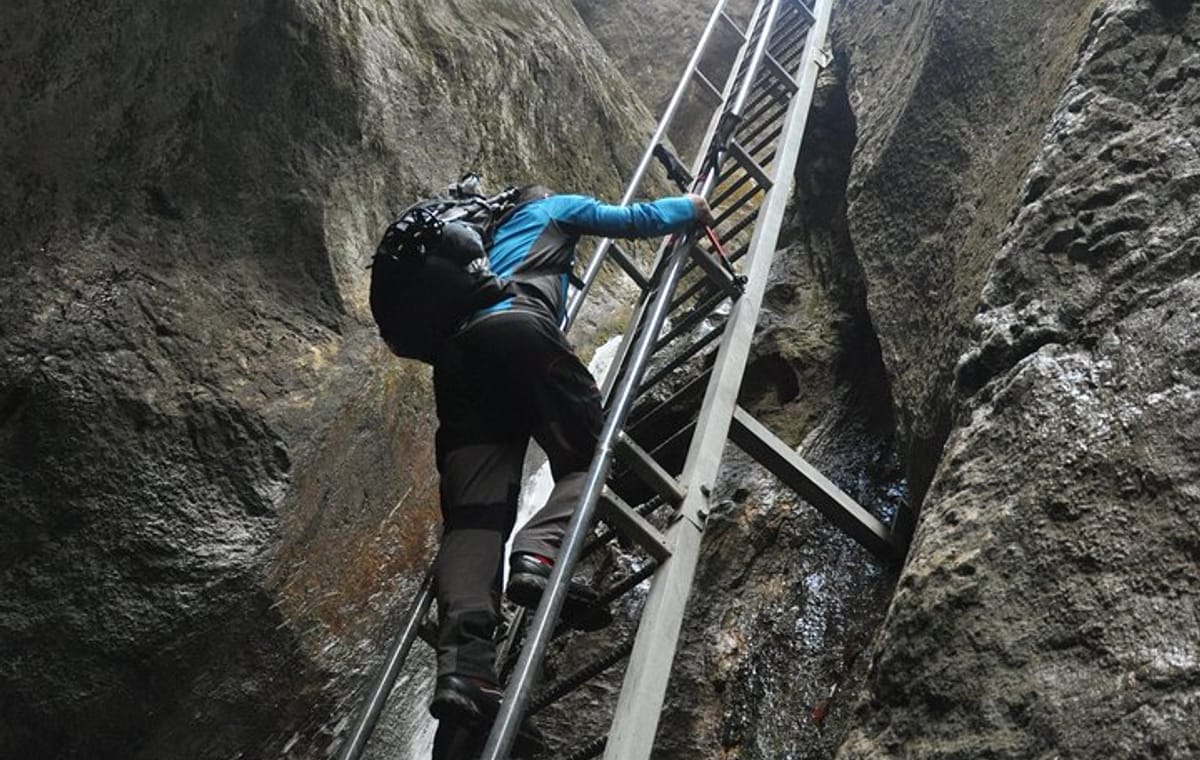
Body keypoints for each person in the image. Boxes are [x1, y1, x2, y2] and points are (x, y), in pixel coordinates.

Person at [427, 184, 714, 737]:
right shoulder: (550, 208)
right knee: (592, 455)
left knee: (473, 521)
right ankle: (537, 552)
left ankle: (465, 670)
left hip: (458, 365)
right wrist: (690, 208)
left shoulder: (476, 246)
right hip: (518, 329)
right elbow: (632, 218)